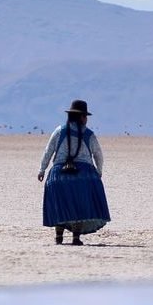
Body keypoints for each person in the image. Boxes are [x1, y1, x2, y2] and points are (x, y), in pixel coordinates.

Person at [37, 99, 111, 245]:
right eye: (85, 116)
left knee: (61, 204)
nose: (86, 119)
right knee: (79, 205)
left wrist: (42, 169)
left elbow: (48, 151)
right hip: (83, 176)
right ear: (81, 117)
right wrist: (99, 171)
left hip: (58, 175)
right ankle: (76, 238)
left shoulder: (59, 131)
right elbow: (98, 155)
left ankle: (59, 237)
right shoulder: (89, 134)